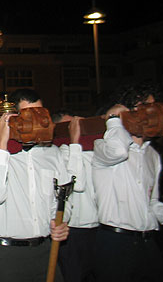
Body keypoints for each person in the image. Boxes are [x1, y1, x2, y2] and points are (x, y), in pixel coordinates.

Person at [91, 86, 163, 282]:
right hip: (116, 244)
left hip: (147, 243)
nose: (152, 114)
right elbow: (118, 152)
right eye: (145, 107)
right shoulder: (103, 146)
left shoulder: (152, 155)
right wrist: (114, 119)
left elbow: (151, 203)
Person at [0, 90, 75, 282]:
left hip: (45, 250)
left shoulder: (53, 154)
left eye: (41, 114)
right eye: (29, 115)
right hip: (6, 255)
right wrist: (2, 144)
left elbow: (63, 199)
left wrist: (60, 222)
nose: (38, 121)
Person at [55, 111, 98, 282]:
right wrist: (74, 143)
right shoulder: (62, 151)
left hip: (98, 227)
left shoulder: (90, 150)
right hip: (74, 230)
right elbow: (77, 184)